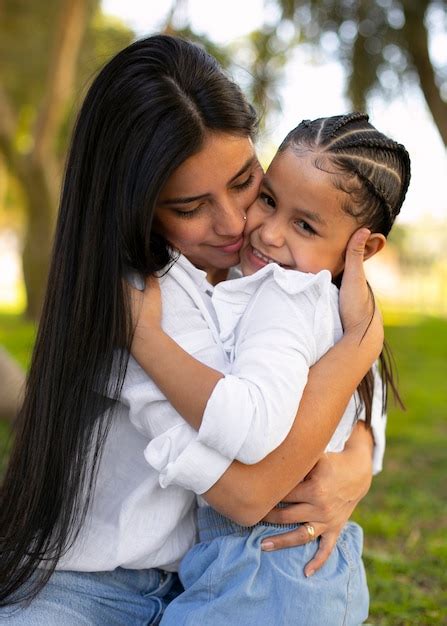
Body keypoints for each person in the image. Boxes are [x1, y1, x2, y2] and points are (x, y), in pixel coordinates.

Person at [0, 36, 384, 625]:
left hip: (217, 575)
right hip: (92, 586)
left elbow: (354, 397)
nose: (235, 224)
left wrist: (356, 460)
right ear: (136, 204)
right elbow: (248, 492)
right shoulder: (138, 297)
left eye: (243, 181)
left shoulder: (268, 258)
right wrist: (363, 345)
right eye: (189, 206)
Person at [129, 112, 410, 625]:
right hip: (273, 564)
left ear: (363, 248)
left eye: (304, 225)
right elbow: (360, 385)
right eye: (268, 199)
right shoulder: (332, 307)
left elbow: (251, 428)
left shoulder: (284, 294)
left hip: (271, 567)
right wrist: (360, 454)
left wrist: (145, 339)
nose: (265, 233)